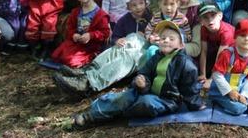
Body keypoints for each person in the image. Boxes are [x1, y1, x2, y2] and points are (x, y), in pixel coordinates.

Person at [71, 20, 204, 128]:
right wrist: (142, 83)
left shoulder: (185, 64)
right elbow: (143, 73)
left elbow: (190, 88)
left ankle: (120, 113)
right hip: (147, 91)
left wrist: (196, 104)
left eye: (171, 38)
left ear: (181, 45)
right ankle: (89, 116)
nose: (166, 40)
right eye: (163, 38)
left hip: (167, 100)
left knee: (146, 103)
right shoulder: (156, 56)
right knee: (123, 97)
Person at [53, 0, 153, 96]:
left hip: (143, 52)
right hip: (129, 45)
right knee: (116, 50)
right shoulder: (126, 19)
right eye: (134, 5)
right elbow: (115, 36)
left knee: (125, 57)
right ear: (128, 7)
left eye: (141, 3)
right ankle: (87, 72)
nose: (138, 7)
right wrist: (118, 40)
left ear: (145, 3)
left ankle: (88, 83)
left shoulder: (151, 17)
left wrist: (148, 36)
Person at [208, 19, 248, 115]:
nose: (247, 39)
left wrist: (244, 95)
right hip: (221, 90)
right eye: (242, 35)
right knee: (239, 109)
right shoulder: (227, 54)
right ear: (235, 37)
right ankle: (218, 100)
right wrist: (229, 92)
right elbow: (217, 75)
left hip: (240, 88)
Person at [51, 0, 110, 68]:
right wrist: (74, 35)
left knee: (71, 61)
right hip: (77, 42)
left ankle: (92, 56)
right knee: (56, 55)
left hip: (91, 46)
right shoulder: (76, 12)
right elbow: (70, 28)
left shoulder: (100, 15)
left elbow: (105, 33)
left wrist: (91, 35)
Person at [198, 0, 235, 85]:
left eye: (213, 15)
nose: (210, 20)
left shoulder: (226, 33)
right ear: (201, 21)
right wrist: (202, 74)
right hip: (218, 48)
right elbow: (203, 51)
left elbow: (220, 57)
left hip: (234, 54)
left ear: (220, 16)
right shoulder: (203, 29)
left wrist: (211, 79)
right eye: (205, 17)